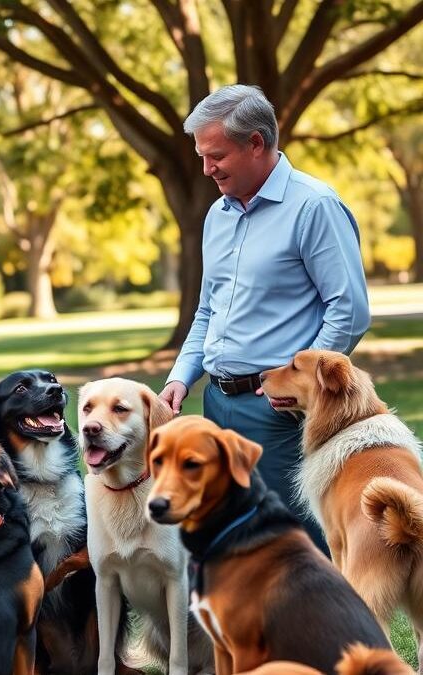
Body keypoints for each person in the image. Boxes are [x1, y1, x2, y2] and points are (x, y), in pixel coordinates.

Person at [158, 84, 370, 551]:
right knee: (240, 542)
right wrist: (181, 376)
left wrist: (303, 385)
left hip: (279, 411)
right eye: (201, 156)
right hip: (217, 404)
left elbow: (349, 310)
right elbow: (208, 310)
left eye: (217, 155)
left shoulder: (314, 206)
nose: (207, 168)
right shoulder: (217, 214)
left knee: (299, 545)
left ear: (256, 143)